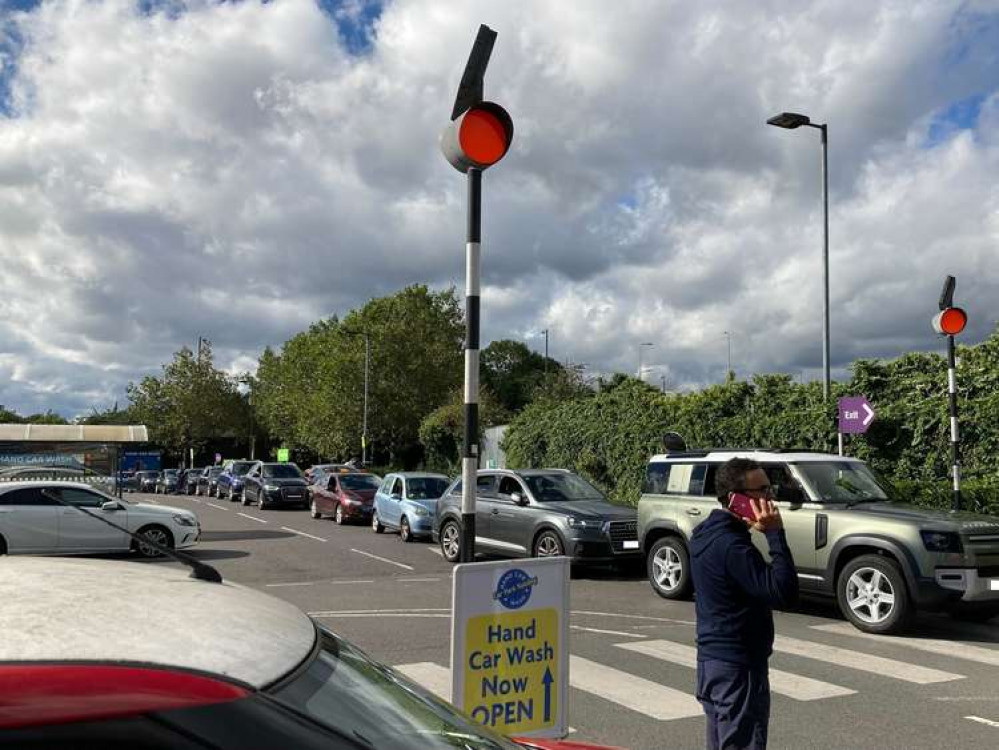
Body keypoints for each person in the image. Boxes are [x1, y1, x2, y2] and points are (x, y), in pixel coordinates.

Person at [689, 457, 799, 750]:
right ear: (736, 500)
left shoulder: (705, 534)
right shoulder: (732, 546)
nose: (770, 497)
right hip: (738, 669)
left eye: (769, 488)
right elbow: (783, 591)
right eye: (761, 490)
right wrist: (775, 535)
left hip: (712, 663)